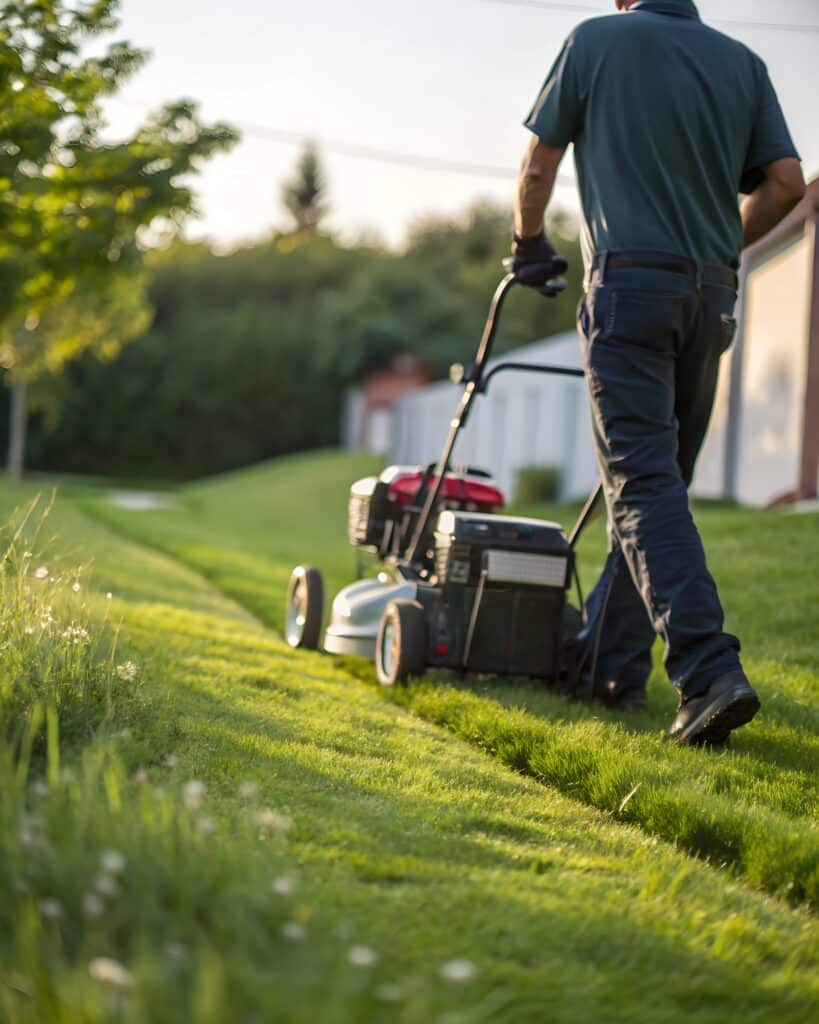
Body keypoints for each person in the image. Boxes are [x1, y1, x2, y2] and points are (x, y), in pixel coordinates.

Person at [508, 0, 805, 745]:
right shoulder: (741, 62)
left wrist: (528, 241)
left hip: (629, 288)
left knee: (640, 487)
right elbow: (787, 183)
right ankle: (605, 670)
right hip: (709, 296)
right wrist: (721, 244)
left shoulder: (595, 40)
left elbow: (539, 161)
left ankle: (707, 672)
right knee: (654, 490)